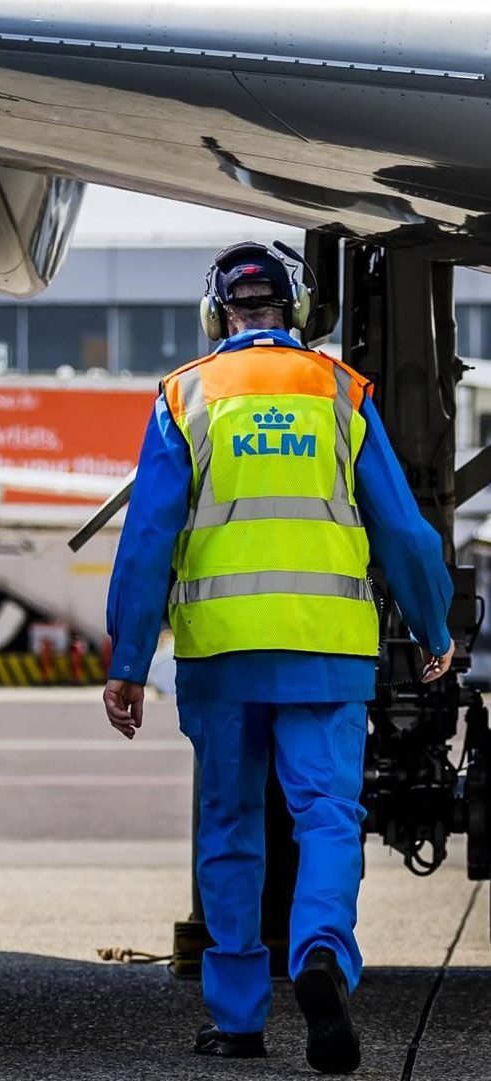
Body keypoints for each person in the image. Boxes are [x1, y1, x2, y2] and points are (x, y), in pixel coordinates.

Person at [103, 242, 454, 1075]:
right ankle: (321, 953)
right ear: (295, 312)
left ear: (217, 314)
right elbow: (404, 531)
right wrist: (435, 630)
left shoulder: (183, 396)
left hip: (223, 655)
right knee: (327, 815)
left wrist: (126, 659)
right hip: (327, 649)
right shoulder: (342, 392)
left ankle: (237, 1018)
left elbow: (149, 539)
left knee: (231, 827)